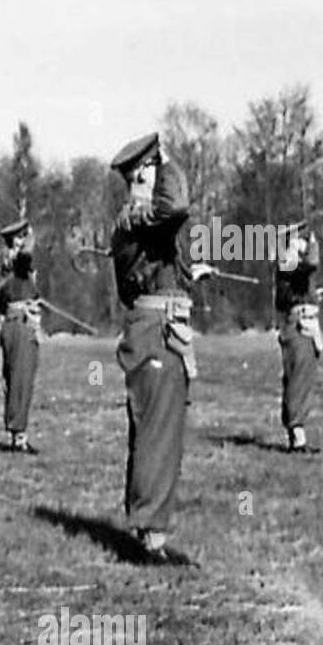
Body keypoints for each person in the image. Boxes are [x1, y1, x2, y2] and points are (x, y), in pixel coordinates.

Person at [108, 131, 209, 561]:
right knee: (156, 432)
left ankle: (147, 527)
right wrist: (167, 164)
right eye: (154, 171)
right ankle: (150, 538)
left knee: (157, 428)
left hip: (162, 329)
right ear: (143, 174)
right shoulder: (136, 216)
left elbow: (164, 251)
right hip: (155, 332)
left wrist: (189, 273)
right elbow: (177, 205)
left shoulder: (145, 221)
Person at [0, 218, 40, 453]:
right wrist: (30, 233)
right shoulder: (18, 262)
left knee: (16, 380)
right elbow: (27, 251)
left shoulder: (6, 268)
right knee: (21, 380)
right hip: (20, 325)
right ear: (17, 239)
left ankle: (16, 432)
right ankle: (18, 436)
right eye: (22, 236)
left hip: (14, 324)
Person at [274, 223, 322, 453]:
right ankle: (297, 437)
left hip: (304, 326)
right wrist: (313, 243)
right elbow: (311, 263)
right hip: (298, 328)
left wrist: (313, 295)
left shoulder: (290, 264)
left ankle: (298, 437)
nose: (300, 246)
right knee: (297, 381)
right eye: (296, 241)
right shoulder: (287, 261)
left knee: (302, 379)